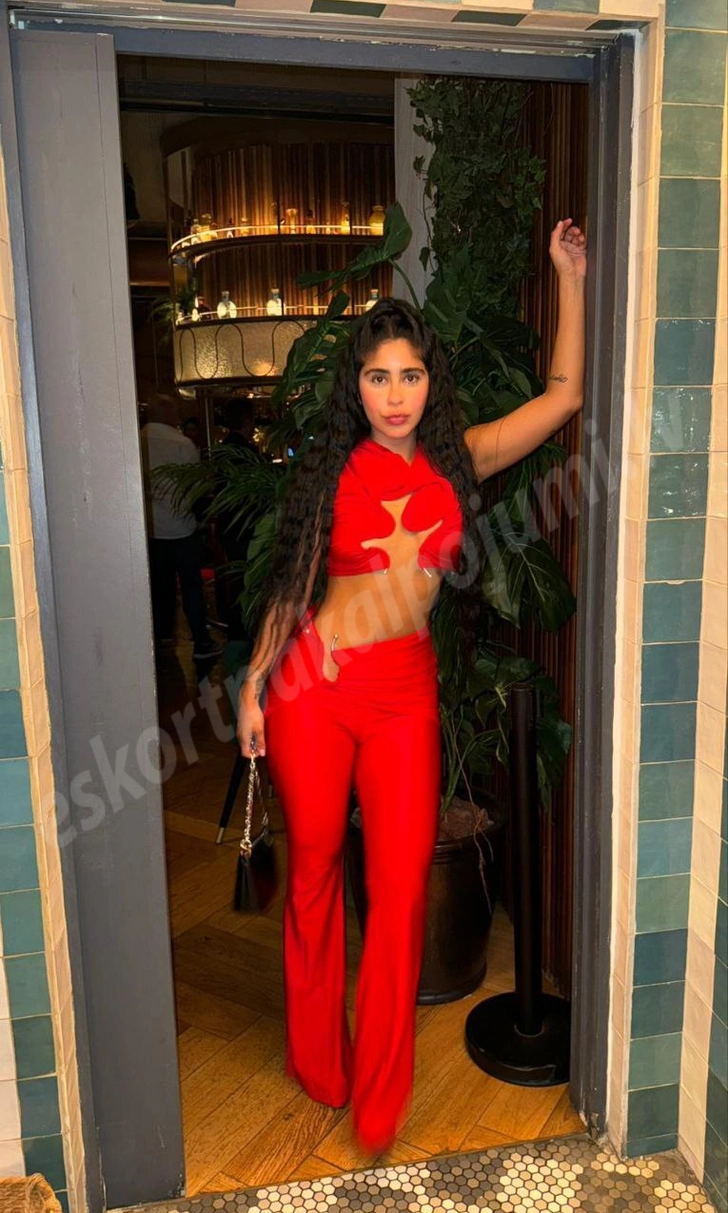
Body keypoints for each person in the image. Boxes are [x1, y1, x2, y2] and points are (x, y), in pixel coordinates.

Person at [236, 219, 587, 1153]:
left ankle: (380, 1092)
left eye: (411, 375)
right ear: (355, 388)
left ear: (432, 383)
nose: (395, 394)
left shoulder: (459, 458)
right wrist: (251, 687)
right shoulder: (330, 474)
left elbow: (563, 396)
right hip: (313, 692)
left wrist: (568, 276)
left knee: (397, 892)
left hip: (403, 701)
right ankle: (319, 1055)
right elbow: (292, 586)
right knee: (314, 874)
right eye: (377, 376)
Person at [140, 394, 222, 660]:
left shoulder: (137, 440)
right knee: (191, 587)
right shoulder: (182, 444)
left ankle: (162, 638)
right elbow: (195, 486)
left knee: (158, 588)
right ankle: (201, 640)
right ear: (169, 415)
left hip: (150, 529)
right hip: (181, 527)